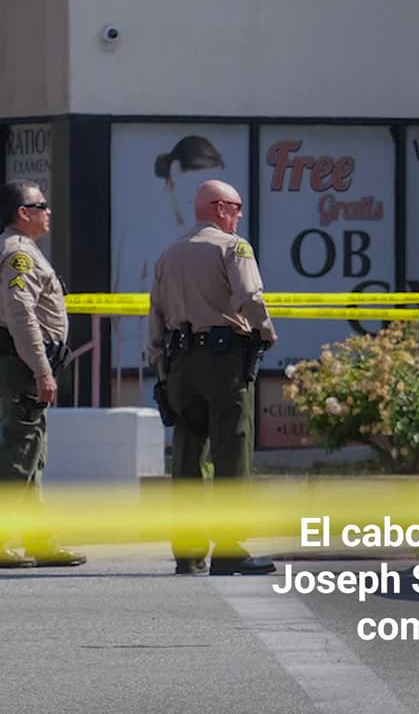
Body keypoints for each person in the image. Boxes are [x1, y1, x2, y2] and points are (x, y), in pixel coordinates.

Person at [149, 179, 278, 576]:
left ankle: (187, 552)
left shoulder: (170, 253)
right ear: (220, 208)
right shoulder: (233, 247)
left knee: (187, 455)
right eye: (236, 207)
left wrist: (161, 365)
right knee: (231, 451)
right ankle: (229, 547)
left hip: (181, 363)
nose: (239, 215)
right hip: (223, 363)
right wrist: (267, 331)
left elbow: (154, 315)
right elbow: (248, 297)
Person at [0, 179, 86, 569]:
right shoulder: (19, 254)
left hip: (12, 360)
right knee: (17, 455)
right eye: (43, 205)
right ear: (24, 212)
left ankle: (41, 540)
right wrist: (42, 370)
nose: (48, 212)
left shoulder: (12, 249)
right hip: (21, 364)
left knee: (29, 455)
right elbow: (22, 316)